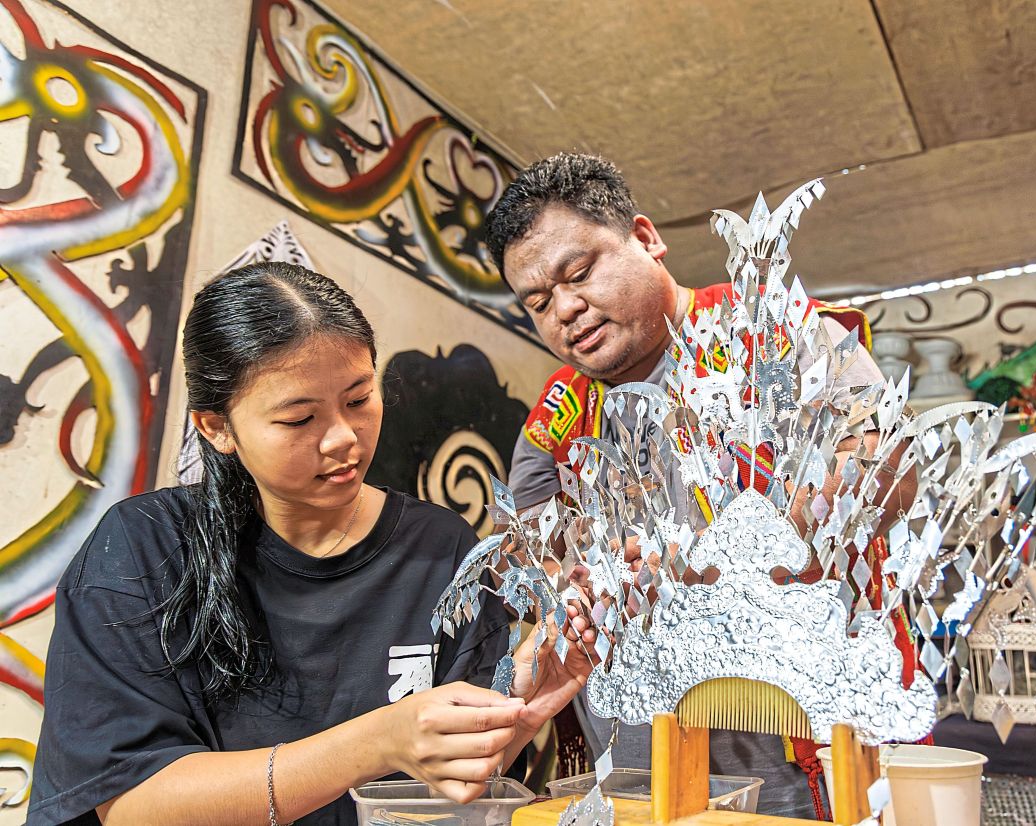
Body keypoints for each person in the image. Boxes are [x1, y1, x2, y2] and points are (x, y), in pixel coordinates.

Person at [27, 262, 592, 826]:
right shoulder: (143, 550)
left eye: (359, 398)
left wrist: (509, 721)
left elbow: (450, 791)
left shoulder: (440, 547)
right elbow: (133, 806)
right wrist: (378, 742)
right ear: (217, 428)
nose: (344, 437)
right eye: (300, 419)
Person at [485, 153, 914, 819]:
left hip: (797, 745)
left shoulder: (777, 332)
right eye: (538, 302)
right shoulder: (554, 418)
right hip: (638, 755)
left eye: (580, 272)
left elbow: (888, 466)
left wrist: (754, 547)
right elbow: (538, 555)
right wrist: (578, 579)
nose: (565, 308)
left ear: (647, 239)